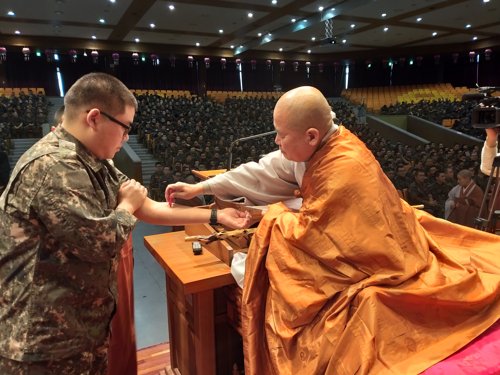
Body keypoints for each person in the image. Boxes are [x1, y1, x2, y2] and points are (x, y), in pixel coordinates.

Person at [167, 86, 500, 375]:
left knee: (356, 296)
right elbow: (262, 172)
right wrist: (202, 188)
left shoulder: (345, 163)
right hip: (350, 239)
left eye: (281, 134)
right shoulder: (314, 147)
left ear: (311, 135)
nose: (276, 141)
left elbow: (318, 233)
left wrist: (268, 216)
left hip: (382, 256)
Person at [0, 72, 250, 375]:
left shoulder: (91, 159)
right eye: (125, 127)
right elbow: (102, 243)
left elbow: (151, 208)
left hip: (77, 331)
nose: (126, 138)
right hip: (43, 343)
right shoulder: (55, 166)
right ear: (94, 118)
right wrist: (127, 205)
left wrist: (214, 215)